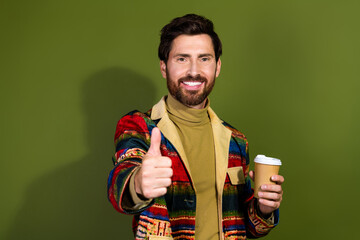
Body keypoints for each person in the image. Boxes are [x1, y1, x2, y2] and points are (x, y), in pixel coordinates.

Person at [107, 14, 284, 240]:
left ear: (217, 66)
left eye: (204, 59)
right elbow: (119, 185)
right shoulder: (139, 127)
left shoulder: (236, 141)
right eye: (182, 59)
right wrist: (138, 183)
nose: (193, 70)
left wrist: (264, 209)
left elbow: (249, 227)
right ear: (164, 67)